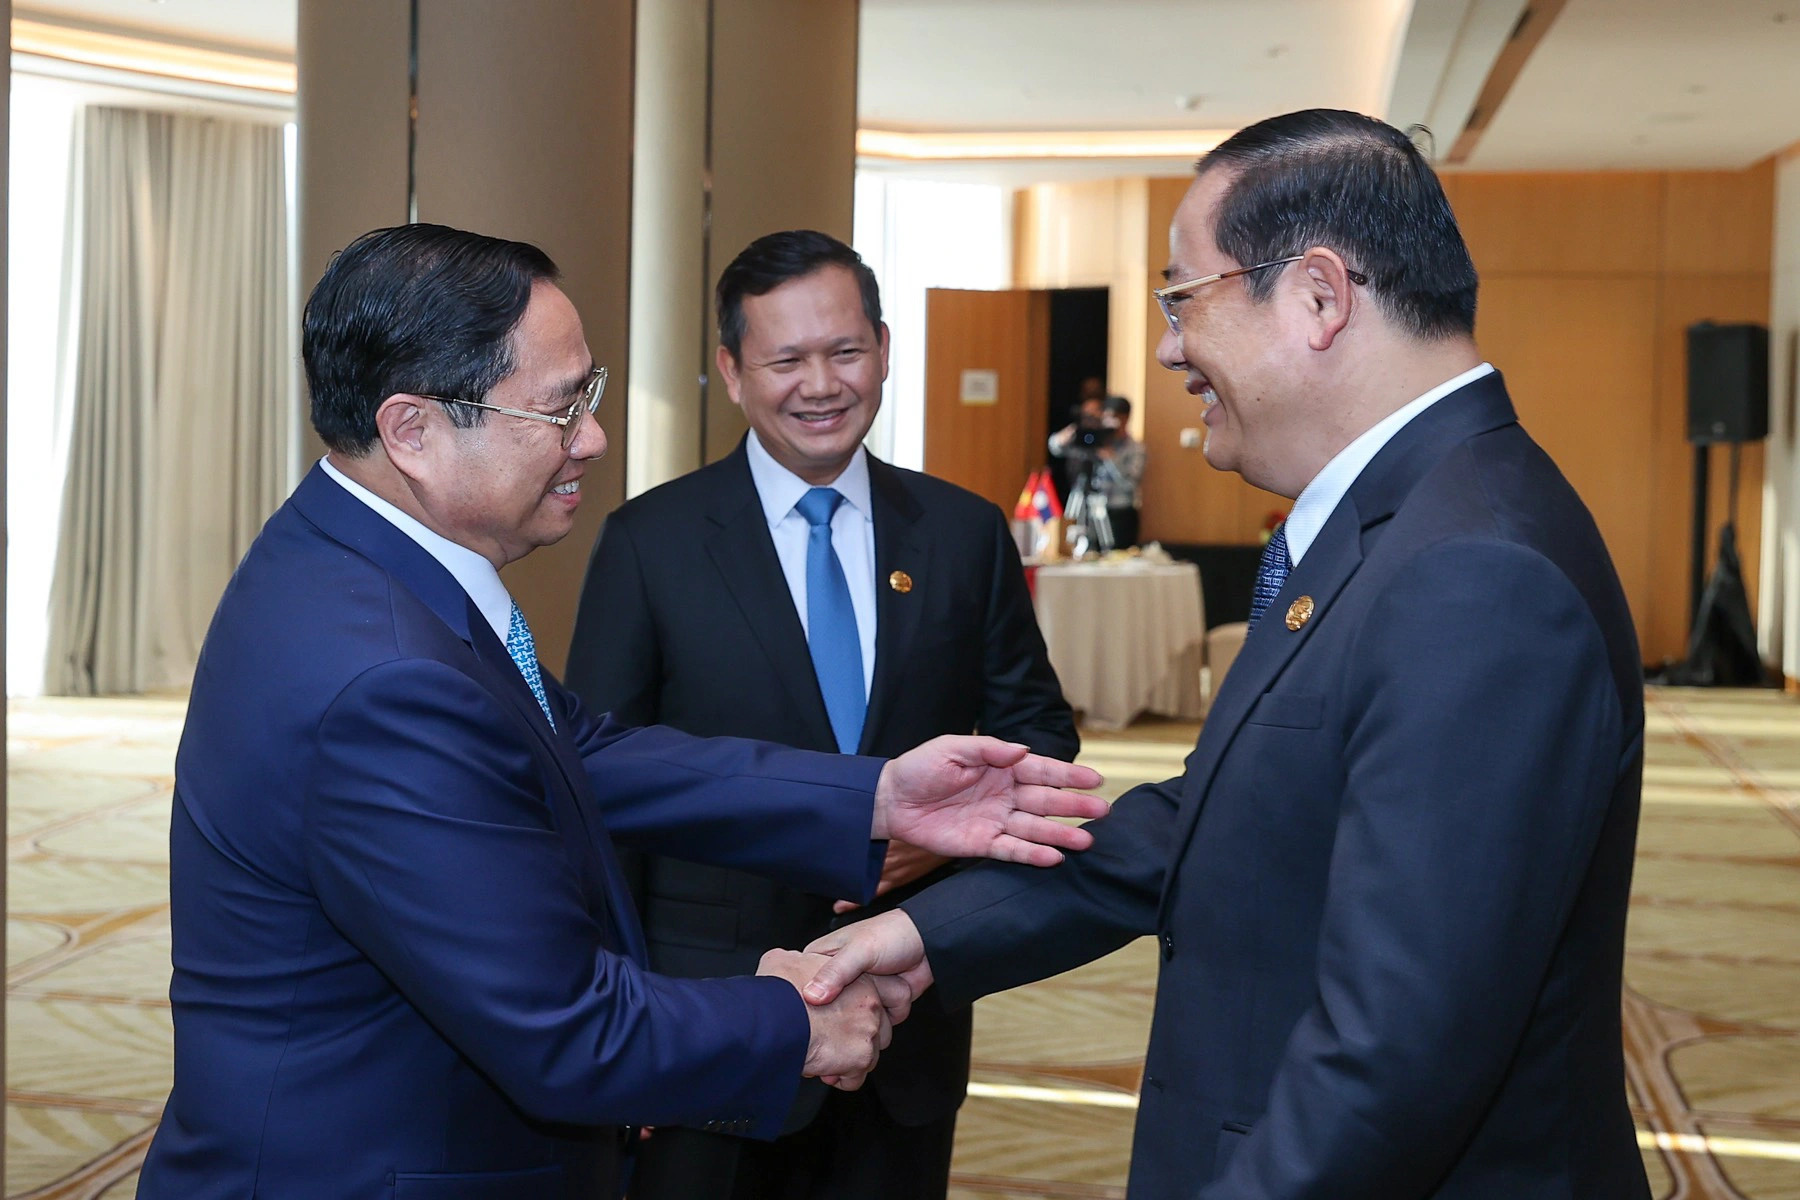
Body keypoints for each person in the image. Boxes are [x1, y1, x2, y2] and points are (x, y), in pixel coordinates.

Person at [138, 223, 1106, 1200]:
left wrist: (876, 798)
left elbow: (579, 749)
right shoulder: (387, 675)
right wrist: (795, 1022)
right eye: (562, 409)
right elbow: (560, 1029)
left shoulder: (358, 558)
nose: (593, 439)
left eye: (589, 395)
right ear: (413, 430)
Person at [804, 109, 1650, 1199]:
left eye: (1181, 296)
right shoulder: (1398, 523)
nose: (1165, 346)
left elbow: (1392, 1061)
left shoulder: (1474, 574)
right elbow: (1215, 820)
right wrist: (922, 936)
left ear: (1317, 296)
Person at [563, 229, 1078, 1200]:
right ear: (729, 368)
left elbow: (1038, 740)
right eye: (785, 360)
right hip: (711, 1021)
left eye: (844, 352)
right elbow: (598, 790)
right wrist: (622, 1030)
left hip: (907, 1018)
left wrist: (919, 849)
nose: (821, 384)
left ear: (883, 346)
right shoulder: (651, 543)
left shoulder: (963, 533)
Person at [1048, 392, 1145, 549]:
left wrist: (1110, 458)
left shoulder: (1135, 448)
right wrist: (1069, 434)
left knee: (1116, 557)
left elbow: (1130, 483)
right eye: (1105, 417)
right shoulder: (1094, 440)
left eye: (1114, 417)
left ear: (1125, 418)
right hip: (1088, 509)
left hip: (1118, 512)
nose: (1109, 423)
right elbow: (1056, 448)